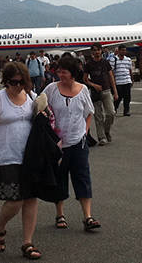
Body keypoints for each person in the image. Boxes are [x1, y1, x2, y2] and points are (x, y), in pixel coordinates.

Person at [0, 62, 42, 260]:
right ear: (6, 81)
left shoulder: (31, 97)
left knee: (31, 199)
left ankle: (27, 243)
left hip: (30, 156)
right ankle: (0, 228)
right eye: (14, 82)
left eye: (22, 82)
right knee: (15, 200)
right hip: (7, 156)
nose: (18, 86)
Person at [42, 56, 100, 233]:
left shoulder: (83, 90)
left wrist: (85, 131)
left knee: (82, 177)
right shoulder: (51, 89)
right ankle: (60, 214)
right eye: (58, 71)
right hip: (58, 145)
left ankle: (87, 216)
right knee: (59, 179)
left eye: (64, 72)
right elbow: (40, 106)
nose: (60, 75)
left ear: (73, 73)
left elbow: (89, 112)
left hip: (78, 142)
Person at [83, 43, 117, 146]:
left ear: (101, 51)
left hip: (106, 90)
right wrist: (93, 85)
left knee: (111, 113)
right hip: (95, 92)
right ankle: (102, 137)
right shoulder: (88, 64)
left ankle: (106, 130)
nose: (96, 52)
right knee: (98, 116)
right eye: (94, 50)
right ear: (91, 52)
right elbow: (85, 79)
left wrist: (115, 92)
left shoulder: (105, 62)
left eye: (98, 50)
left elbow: (111, 77)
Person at [112, 44, 133, 116]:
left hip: (127, 81)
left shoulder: (128, 59)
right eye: (122, 50)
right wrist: (113, 82)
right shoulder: (114, 59)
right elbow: (111, 72)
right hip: (118, 82)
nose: (124, 52)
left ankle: (126, 110)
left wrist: (131, 80)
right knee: (118, 97)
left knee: (127, 97)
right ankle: (114, 109)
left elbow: (130, 70)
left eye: (125, 50)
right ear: (119, 51)